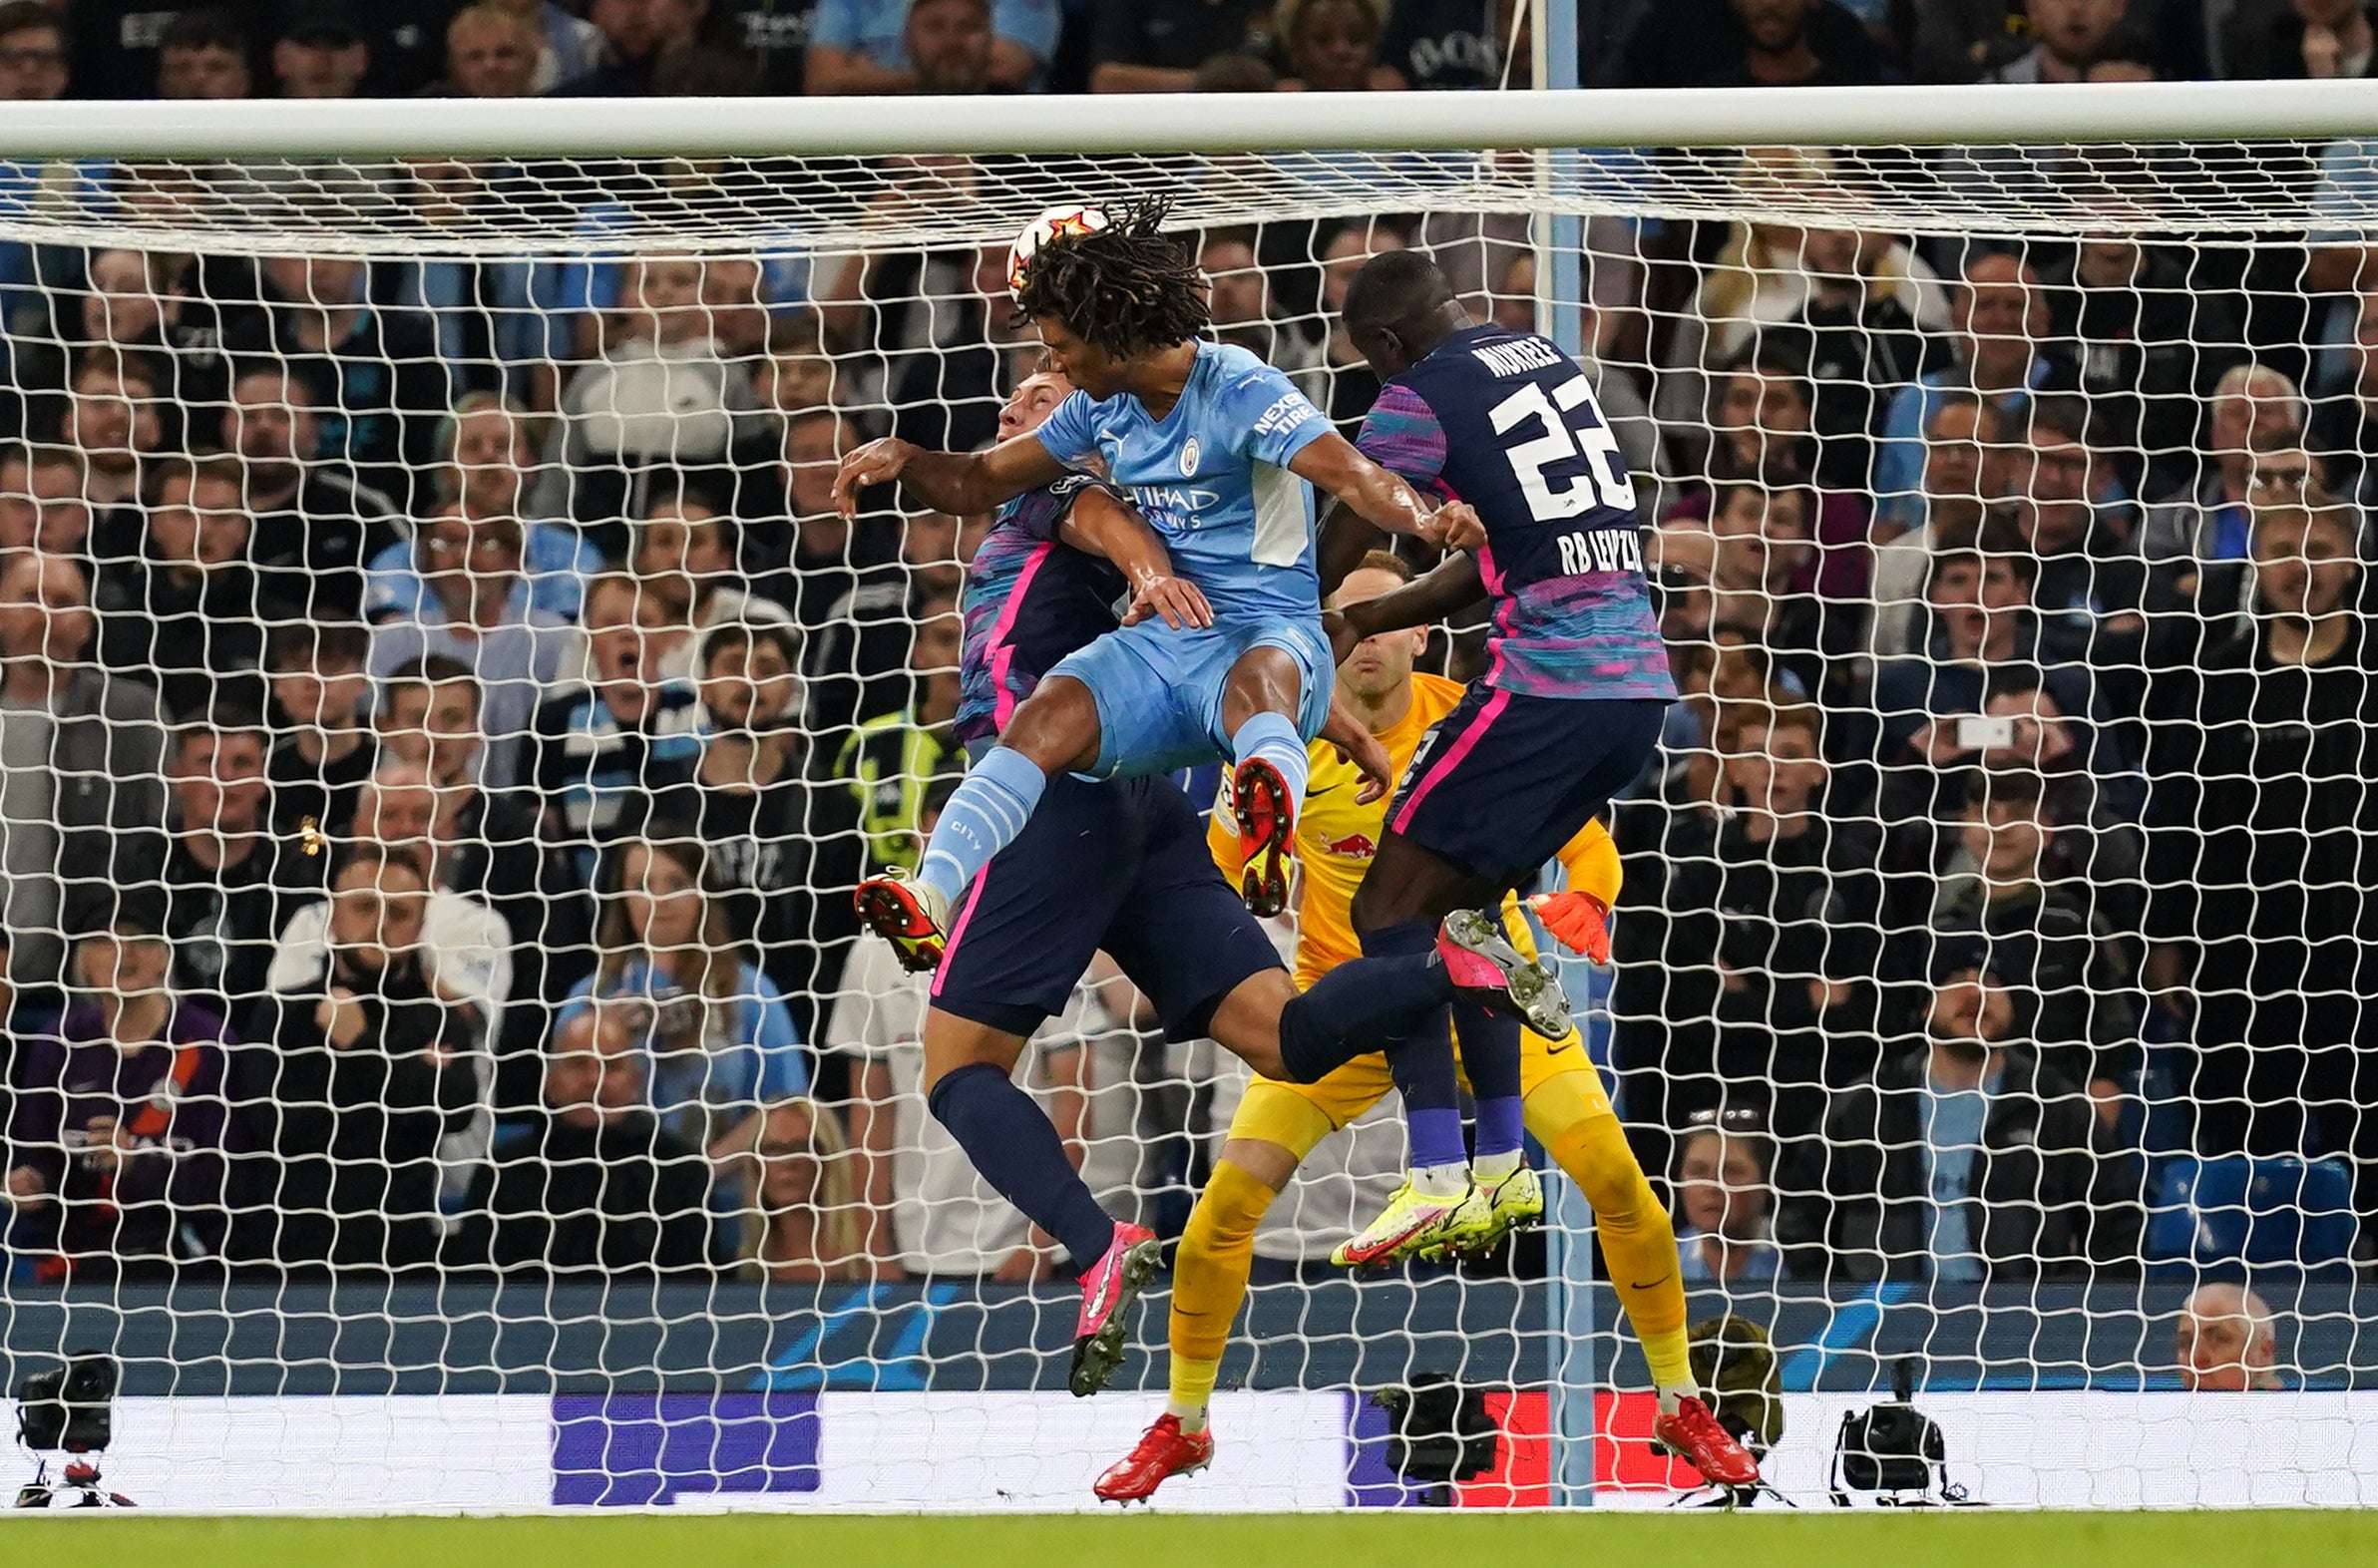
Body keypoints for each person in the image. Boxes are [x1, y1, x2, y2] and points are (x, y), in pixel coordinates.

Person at [815, 367, 1530, 1402]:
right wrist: (1339, 728)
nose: (1017, 409)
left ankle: (1092, 1242)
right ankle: (1448, 965)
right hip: (1148, 805)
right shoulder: (1069, 508)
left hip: (1058, 799)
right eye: (1012, 397)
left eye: (1042, 396)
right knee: (1280, 1037)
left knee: (956, 1069)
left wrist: (1144, 567)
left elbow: (1098, 520)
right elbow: (1223, 647)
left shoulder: (1065, 496)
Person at [1097, 552, 1756, 1502]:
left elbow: (1585, 837)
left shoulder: (1472, 724)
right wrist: (1251, 889)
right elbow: (1221, 871)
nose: (1359, 641)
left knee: (1618, 1181)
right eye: (1342, 624)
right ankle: (1186, 1423)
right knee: (1217, 1219)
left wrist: (1597, 901)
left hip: (1492, 999)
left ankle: (1676, 1398)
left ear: (1419, 631)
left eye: (1378, 621)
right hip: (1341, 1013)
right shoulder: (1286, 738)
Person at [840, 197, 1469, 960]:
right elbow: (977, 482)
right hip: (1164, 642)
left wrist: (1427, 520)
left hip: (1271, 630)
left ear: (1111, 330)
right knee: (1047, 713)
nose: (1058, 365)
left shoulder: (1241, 388)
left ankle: (1266, 798)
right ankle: (930, 892)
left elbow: (1358, 477)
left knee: (1257, 680)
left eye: (1064, 346)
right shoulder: (1103, 410)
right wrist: (905, 458)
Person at [1244, 248, 1674, 1268]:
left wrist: (1287, 623)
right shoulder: (1543, 360)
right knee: (1458, 913)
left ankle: (1435, 1173)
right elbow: (1498, 563)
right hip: (1632, 689)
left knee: (1384, 912)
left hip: (1544, 689)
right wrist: (1373, 621)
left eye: (1369, 364)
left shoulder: (1414, 399)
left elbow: (1348, 522)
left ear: (1387, 345)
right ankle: (1499, 1170)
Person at [1780, 937, 2109, 1283]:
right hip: (1880, 1325)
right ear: (1925, 1005)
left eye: (1992, 980)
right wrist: (1845, 1305)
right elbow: (1801, 1221)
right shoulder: (1864, 1107)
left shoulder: (2057, 1107)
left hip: (2021, 1325)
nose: (1975, 993)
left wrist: (2063, 1306)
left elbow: (2117, 1221)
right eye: (1954, 980)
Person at [233, 845, 481, 1271]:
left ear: (421, 925)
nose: (380, 925)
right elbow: (278, 1124)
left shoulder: (439, 1019)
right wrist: (399, 1088)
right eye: (364, 907)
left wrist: (359, 1045)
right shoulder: (284, 1012)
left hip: (401, 1262)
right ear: (332, 916)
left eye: (399, 913)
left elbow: (454, 1108)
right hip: (289, 1261)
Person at [553, 831, 810, 1167]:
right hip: (614, 1188)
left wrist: (704, 1170)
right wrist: (603, 1043)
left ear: (702, 893)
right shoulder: (590, 996)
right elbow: (558, 1107)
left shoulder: (751, 993)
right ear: (623, 897)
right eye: (642, 885)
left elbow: (787, 1105)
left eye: (676, 883)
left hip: (726, 1195)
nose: (659, 899)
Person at [3, 916, 232, 1280]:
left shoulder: (210, 1043)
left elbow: (231, 1183)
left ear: (164, 957)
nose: (123, 952)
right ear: (83, 961)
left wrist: (135, 1164)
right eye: (105, 940)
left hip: (186, 1267)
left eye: (139, 938)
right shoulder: (58, 1043)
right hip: (78, 1266)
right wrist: (32, 1183)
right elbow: (38, 1158)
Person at [0, 552, 167, 986]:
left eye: (62, 601)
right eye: (30, 597)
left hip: (94, 981)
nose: (45, 614)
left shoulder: (132, 715)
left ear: (88, 622)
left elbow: (162, 836)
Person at [469, 1005, 714, 1274]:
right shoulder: (503, 1172)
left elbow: (698, 1293)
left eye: (612, 1066)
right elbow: (474, 1289)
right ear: (550, 1085)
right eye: (577, 1064)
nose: (595, 1080)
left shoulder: (682, 1171)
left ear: (635, 1083)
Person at [262, 620, 379, 842]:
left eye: (329, 666)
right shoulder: (263, 773)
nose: (313, 680)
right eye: (298, 666)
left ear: (362, 681)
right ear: (277, 684)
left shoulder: (389, 768)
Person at [805, 0, 1057, 94]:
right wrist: (951, 75)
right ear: (906, 37)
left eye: (968, 27)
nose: (951, 41)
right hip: (882, 142)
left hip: (999, 145)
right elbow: (823, 82)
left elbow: (1006, 68)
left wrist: (868, 74)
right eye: (935, 27)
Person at [1672, 1108, 1785, 1286]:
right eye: (1698, 1171)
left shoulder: (1800, 1258)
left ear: (1766, 1182)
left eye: (1732, 1171)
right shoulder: (1663, 1261)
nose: (1712, 1186)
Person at [2175, 1283, 2288, 1391]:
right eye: (2185, 1343)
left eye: (2218, 1340)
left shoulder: (2293, 1409)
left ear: (2264, 1352)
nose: (2196, 1359)